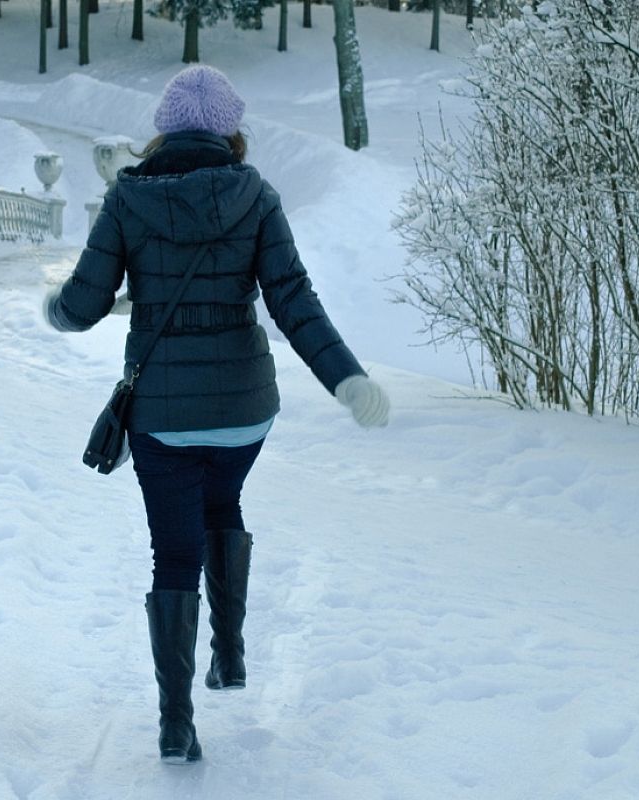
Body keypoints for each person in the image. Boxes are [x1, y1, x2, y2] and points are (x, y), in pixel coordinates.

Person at [43, 65, 390, 765]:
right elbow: (294, 302)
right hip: (242, 410)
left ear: (163, 131)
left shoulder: (127, 198)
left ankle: (177, 723)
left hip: (162, 417)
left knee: (173, 552)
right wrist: (346, 379)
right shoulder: (255, 196)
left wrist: (54, 304)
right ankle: (228, 651)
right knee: (222, 500)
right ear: (231, 131)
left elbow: (80, 308)